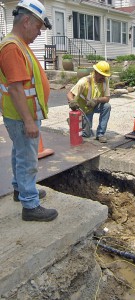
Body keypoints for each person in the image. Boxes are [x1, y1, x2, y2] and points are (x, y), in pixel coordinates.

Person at [0, 0, 58, 221]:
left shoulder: (18, 44)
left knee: (19, 153)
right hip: (21, 117)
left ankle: (21, 190)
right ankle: (30, 205)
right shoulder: (12, 48)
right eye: (37, 28)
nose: (39, 33)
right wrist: (29, 121)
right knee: (28, 159)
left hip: (20, 116)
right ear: (26, 21)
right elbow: (16, 89)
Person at [67, 61, 111, 143]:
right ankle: (73, 122)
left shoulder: (105, 81)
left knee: (107, 106)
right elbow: (70, 94)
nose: (103, 77)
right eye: (102, 75)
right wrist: (72, 101)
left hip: (94, 105)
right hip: (84, 109)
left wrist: (96, 100)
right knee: (86, 134)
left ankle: (100, 134)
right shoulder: (84, 82)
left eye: (105, 75)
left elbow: (107, 98)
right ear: (96, 72)